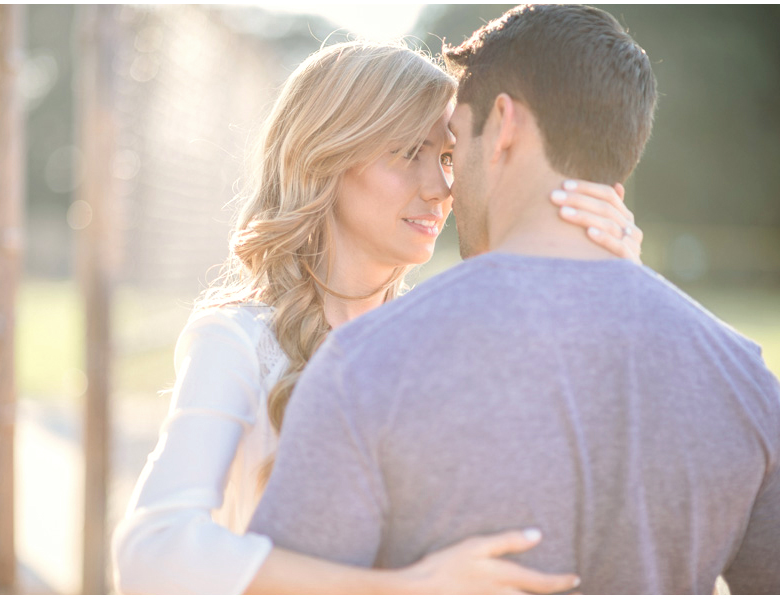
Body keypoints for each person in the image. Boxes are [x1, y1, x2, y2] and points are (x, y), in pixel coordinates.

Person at [248, 5, 780, 596]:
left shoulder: (368, 362)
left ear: (502, 125)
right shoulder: (743, 378)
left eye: (455, 143)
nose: (449, 185)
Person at [112, 39, 644, 595]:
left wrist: (615, 282)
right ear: (326, 156)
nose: (442, 189)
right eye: (407, 151)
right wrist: (408, 586)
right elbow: (151, 553)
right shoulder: (238, 340)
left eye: (444, 156)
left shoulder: (442, 337)